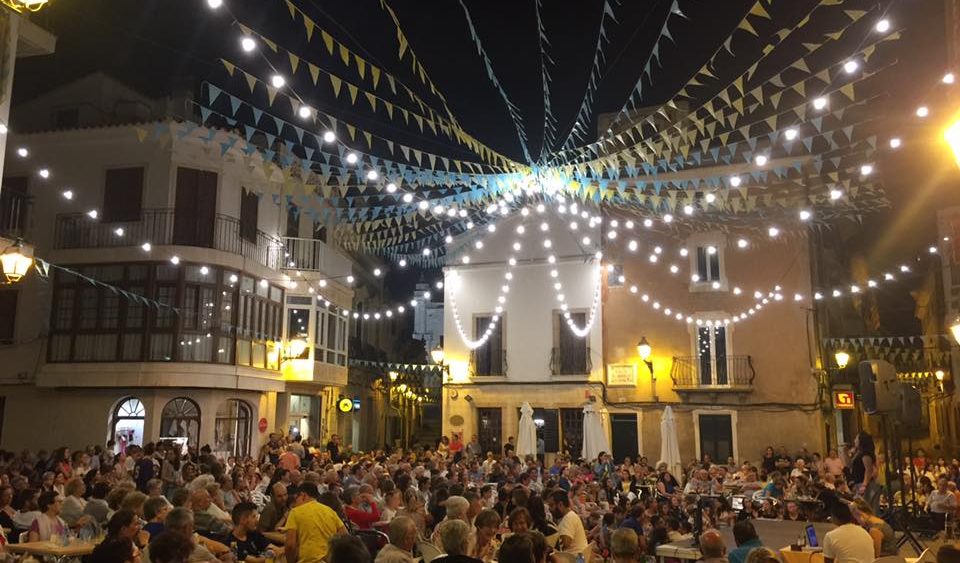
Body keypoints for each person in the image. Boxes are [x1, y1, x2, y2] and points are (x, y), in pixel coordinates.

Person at [284, 482, 347, 563]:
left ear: (303, 495)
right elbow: (345, 537)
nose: (295, 503)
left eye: (296, 499)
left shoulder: (295, 512)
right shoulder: (330, 511)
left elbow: (290, 545)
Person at [547, 489, 588, 558]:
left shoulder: (568, 518)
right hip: (580, 558)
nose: (549, 509)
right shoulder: (570, 515)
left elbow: (565, 544)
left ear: (560, 505)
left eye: (551, 505)